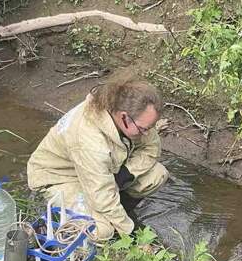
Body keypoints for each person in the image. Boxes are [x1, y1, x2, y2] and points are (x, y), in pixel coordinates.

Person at [27, 74, 168, 239]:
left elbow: (152, 147)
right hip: (61, 178)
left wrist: (126, 174)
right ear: (124, 117)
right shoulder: (89, 141)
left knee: (157, 175)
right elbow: (102, 196)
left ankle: (119, 213)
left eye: (149, 128)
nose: (147, 132)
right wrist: (132, 235)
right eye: (144, 129)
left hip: (95, 171)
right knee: (102, 231)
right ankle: (89, 221)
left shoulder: (121, 110)